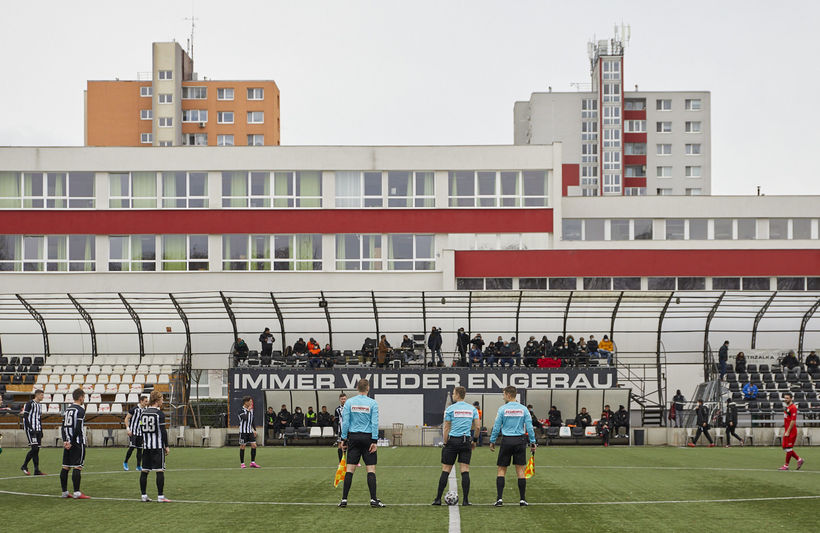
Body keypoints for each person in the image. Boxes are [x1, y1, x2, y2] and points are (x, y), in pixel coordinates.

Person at [339, 379, 384, 508]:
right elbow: (375, 423)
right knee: (371, 469)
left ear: (357, 388)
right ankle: (373, 499)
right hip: (367, 438)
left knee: (350, 469)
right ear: (368, 388)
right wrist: (374, 441)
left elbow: (345, 423)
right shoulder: (373, 403)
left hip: (353, 437)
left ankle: (344, 499)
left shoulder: (349, 402)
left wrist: (343, 439)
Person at [432, 386, 480, 506]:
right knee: (465, 470)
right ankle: (465, 500)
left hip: (453, 441)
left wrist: (445, 441)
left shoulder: (450, 409)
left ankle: (438, 499)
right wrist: (474, 441)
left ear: (458, 394)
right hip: (465, 441)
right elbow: (477, 427)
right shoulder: (472, 409)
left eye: (454, 393)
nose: (453, 395)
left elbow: (446, 427)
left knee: (446, 470)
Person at [489, 385, 536, 507]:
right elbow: (529, 427)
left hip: (507, 440)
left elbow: (496, 426)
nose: (503, 396)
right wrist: (533, 441)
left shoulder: (502, 409)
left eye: (504, 394)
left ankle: (499, 499)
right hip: (520, 441)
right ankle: (522, 500)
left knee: (501, 469)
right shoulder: (524, 409)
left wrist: (492, 440)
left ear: (509, 395)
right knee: (520, 470)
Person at [139, 390, 171, 502]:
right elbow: (163, 431)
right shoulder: (159, 414)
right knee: (159, 470)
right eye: (162, 399)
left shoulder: (143, 413)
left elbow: (141, 427)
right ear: (157, 400)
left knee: (145, 470)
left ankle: (143, 496)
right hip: (157, 446)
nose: (162, 401)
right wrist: (166, 446)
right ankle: (160, 496)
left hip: (147, 446)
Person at [61, 388, 89, 499]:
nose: (84, 399)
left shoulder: (67, 410)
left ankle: (64, 492)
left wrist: (65, 441)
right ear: (81, 397)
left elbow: (63, 427)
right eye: (84, 397)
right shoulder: (80, 410)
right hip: (77, 442)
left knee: (65, 467)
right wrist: (72, 442)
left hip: (67, 442)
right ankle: (77, 492)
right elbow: (77, 428)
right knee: (77, 467)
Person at [20, 389, 45, 476]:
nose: (43, 397)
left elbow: (39, 418)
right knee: (34, 448)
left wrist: (41, 430)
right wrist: (30, 428)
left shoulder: (40, 405)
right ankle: (24, 466)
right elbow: (25, 416)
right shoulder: (30, 403)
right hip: (31, 429)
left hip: (37, 429)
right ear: (37, 395)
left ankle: (36, 470)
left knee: (36, 449)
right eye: (42, 395)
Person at [779, 392, 804, 471]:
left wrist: (788, 431)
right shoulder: (787, 407)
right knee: (785, 447)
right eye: (785, 398)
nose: (785, 399)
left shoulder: (793, 407)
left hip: (791, 431)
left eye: (787, 398)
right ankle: (799, 459)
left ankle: (786, 465)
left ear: (791, 398)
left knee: (788, 448)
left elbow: (793, 421)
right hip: (787, 430)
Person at [123, 394, 148, 471]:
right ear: (141, 401)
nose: (147, 403)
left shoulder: (145, 410)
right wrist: (128, 429)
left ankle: (138, 466)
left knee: (140, 449)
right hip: (133, 432)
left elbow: (141, 421)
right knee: (132, 447)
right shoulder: (134, 409)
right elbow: (126, 419)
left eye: (147, 401)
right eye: (145, 401)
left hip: (140, 433)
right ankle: (125, 462)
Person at [238, 396, 260, 468]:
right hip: (243, 432)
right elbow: (244, 418)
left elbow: (252, 420)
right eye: (250, 401)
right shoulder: (241, 410)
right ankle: (242, 463)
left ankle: (252, 462)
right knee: (243, 446)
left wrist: (255, 430)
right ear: (246, 402)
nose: (251, 403)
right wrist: (248, 410)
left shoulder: (251, 410)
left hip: (250, 431)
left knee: (254, 445)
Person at [335, 394, 347, 461]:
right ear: (340, 399)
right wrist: (337, 430)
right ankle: (341, 461)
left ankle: (354, 462)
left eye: (344, 399)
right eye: (342, 399)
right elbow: (336, 421)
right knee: (340, 445)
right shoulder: (337, 409)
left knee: (352, 446)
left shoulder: (349, 408)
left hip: (349, 430)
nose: (343, 400)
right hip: (341, 430)